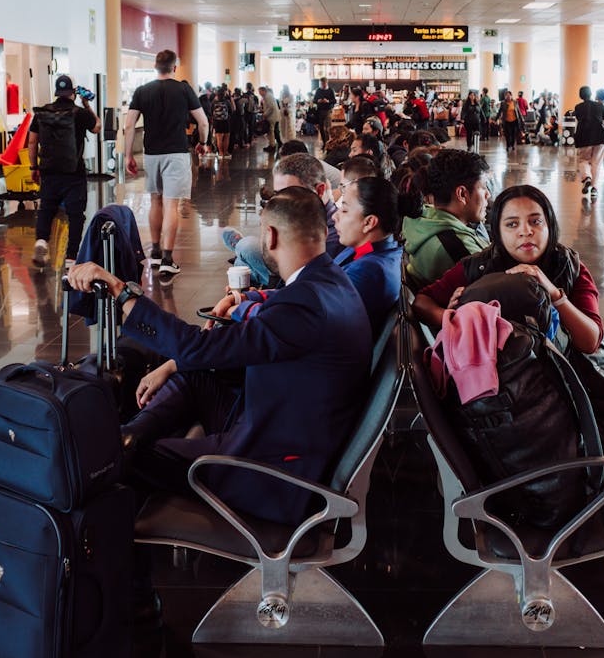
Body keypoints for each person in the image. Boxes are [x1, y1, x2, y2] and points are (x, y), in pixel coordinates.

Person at [414, 184, 604, 567]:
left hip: (579, 375)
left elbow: (590, 341)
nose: (525, 232)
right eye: (512, 224)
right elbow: (423, 299)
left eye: (535, 221)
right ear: (497, 230)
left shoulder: (568, 267)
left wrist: (555, 294)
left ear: (549, 225)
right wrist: (450, 315)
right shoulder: (476, 269)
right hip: (534, 398)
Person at [67, 188, 372, 541]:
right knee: (191, 376)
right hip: (275, 417)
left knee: (127, 462)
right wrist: (175, 363)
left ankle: (131, 577)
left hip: (271, 471)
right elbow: (223, 346)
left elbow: (197, 346)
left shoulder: (304, 306)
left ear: (270, 236)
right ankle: (128, 436)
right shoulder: (329, 281)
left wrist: (121, 291)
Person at [124, 50, 209, 280]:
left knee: (155, 200)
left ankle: (155, 251)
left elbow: (129, 124)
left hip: (152, 154)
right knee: (172, 204)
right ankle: (168, 260)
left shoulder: (142, 91)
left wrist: (127, 154)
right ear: (174, 67)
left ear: (155, 66)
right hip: (177, 153)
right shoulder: (183, 89)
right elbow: (202, 121)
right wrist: (203, 143)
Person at [222, 151, 342, 284]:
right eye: (277, 194)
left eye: (290, 193)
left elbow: (297, 280)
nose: (279, 202)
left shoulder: (334, 232)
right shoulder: (304, 217)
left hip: (289, 281)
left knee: (246, 247)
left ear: (319, 190)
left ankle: (240, 252)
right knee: (244, 256)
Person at [29, 75, 101, 269]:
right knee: (76, 214)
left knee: (47, 209)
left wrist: (33, 167)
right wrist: (86, 104)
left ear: (56, 92)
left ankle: (42, 241)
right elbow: (97, 127)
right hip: (73, 173)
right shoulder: (79, 113)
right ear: (72, 93)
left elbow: (32, 141)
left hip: (49, 171)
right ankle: (70, 257)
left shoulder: (42, 113)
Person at [400, 148, 490, 286]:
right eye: (483, 187)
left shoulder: (424, 217)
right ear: (462, 194)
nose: (488, 195)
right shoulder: (461, 249)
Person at [333, 175, 403, 334]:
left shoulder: (368, 272)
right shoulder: (376, 249)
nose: (334, 216)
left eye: (344, 210)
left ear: (369, 222)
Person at [573, 84, 604, 199]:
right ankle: (594, 189)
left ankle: (587, 177)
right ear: (591, 93)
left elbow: (579, 120)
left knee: (584, 160)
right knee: (596, 163)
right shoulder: (600, 106)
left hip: (584, 137)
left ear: (580, 96)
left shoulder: (578, 107)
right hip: (599, 137)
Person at [210, 84, 233, 159]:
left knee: (219, 138)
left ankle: (220, 153)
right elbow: (231, 111)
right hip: (226, 121)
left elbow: (211, 111)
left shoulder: (214, 102)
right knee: (226, 137)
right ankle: (225, 152)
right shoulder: (227, 102)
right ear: (224, 94)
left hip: (217, 122)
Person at [312, 77, 336, 146]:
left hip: (328, 110)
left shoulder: (331, 90)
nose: (322, 85)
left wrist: (328, 101)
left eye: (323, 84)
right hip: (319, 111)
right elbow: (314, 100)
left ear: (326, 83)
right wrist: (318, 101)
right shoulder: (318, 90)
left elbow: (334, 100)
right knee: (321, 128)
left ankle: (329, 142)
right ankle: (324, 142)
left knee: (328, 128)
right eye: (321, 84)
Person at [258, 85, 281, 153]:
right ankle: (271, 144)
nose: (260, 93)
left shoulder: (268, 96)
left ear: (263, 91)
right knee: (270, 131)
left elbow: (271, 107)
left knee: (271, 131)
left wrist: (265, 114)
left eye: (260, 92)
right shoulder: (267, 96)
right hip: (271, 116)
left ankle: (272, 146)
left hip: (272, 117)